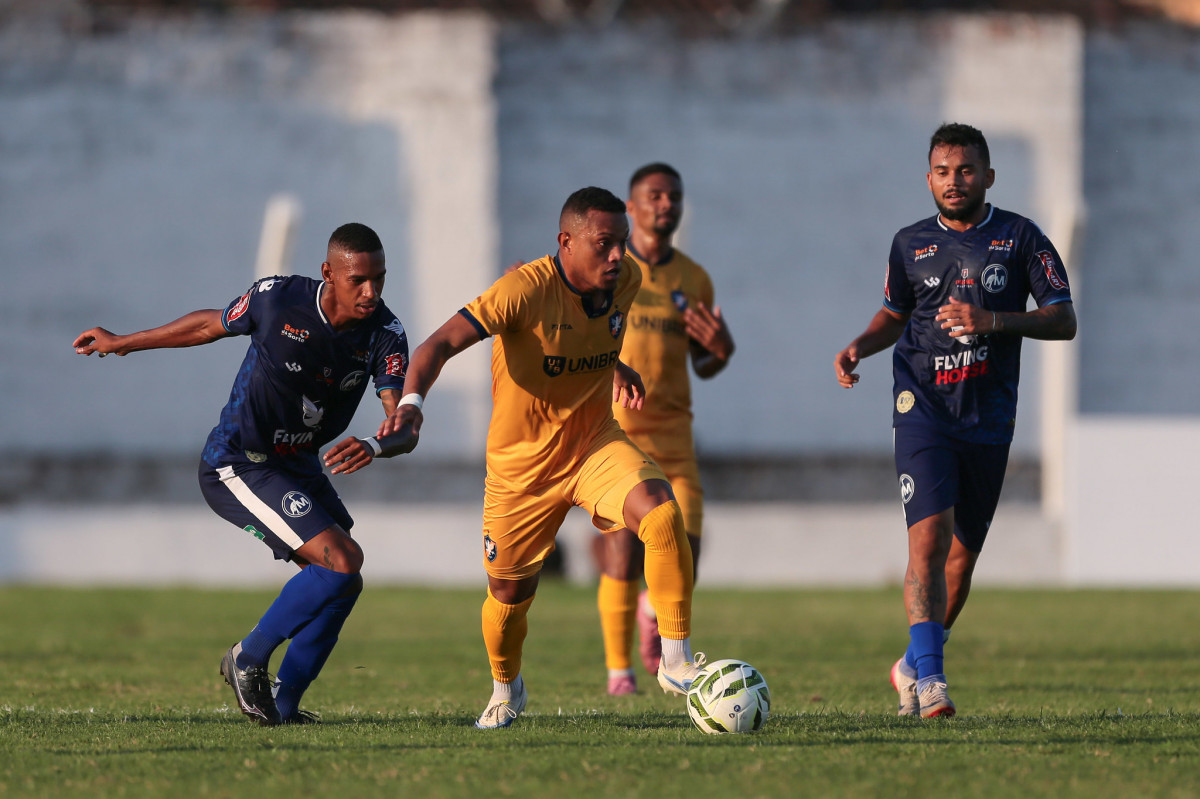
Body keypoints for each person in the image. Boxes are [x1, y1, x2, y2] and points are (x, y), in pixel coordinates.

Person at [377, 186, 706, 729]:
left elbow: (599, 332)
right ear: (566, 242)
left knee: (661, 510)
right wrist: (411, 405)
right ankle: (506, 688)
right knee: (508, 598)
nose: (618, 256)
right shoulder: (521, 291)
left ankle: (675, 659)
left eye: (622, 243)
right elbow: (436, 345)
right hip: (521, 471)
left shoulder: (627, 281)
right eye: (604, 244)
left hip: (594, 444)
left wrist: (615, 368)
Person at [73, 223, 416, 726]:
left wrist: (378, 442)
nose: (372, 292)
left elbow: (403, 422)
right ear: (329, 274)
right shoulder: (279, 300)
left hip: (296, 465)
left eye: (380, 279)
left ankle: (284, 706)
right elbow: (208, 324)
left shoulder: (386, 333)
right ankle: (247, 657)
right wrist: (124, 342)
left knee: (344, 580)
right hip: (238, 462)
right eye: (359, 280)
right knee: (342, 561)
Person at [834, 123, 1076, 718]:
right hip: (923, 407)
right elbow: (895, 314)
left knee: (960, 564)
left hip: (988, 416)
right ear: (928, 178)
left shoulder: (1022, 238)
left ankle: (910, 665)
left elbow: (1063, 319)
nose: (953, 181)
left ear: (987, 176)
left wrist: (993, 321)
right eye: (942, 171)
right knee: (928, 538)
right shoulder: (908, 242)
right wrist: (860, 346)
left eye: (965, 170)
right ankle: (933, 683)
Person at [593, 163, 735, 696]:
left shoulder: (693, 278)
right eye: (653, 196)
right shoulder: (610, 271)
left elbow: (707, 361)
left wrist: (720, 349)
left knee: (686, 551)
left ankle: (655, 613)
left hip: (675, 437)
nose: (664, 205)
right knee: (623, 555)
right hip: (616, 435)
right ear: (631, 208)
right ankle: (619, 673)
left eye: (673, 196)